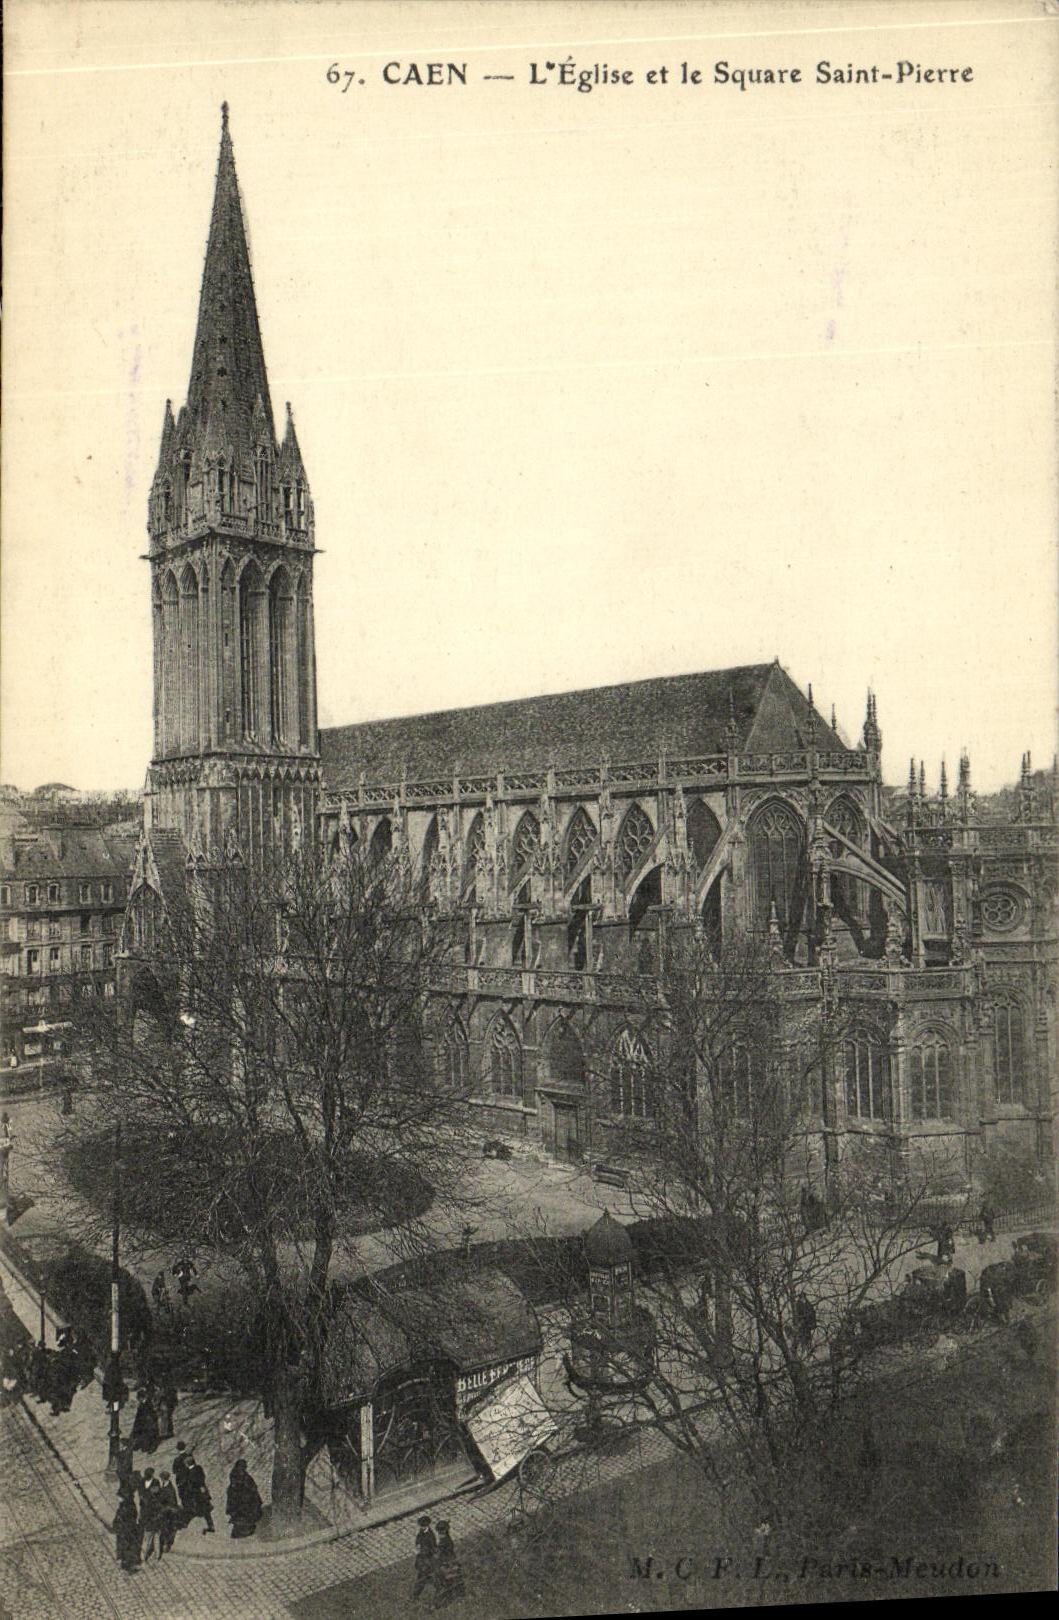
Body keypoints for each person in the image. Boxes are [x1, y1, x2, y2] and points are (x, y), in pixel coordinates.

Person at [226, 1459, 262, 1539]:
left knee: (246, 1518)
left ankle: (246, 1532)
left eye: (244, 1467)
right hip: (241, 1502)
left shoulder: (245, 1476)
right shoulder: (236, 1477)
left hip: (246, 1502)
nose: (243, 1468)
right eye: (242, 1466)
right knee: (242, 1518)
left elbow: (253, 1487)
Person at [432, 1520, 464, 1609]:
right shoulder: (445, 1539)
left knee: (450, 1582)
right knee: (453, 1581)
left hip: (448, 1563)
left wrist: (436, 1554)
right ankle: (457, 1597)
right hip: (450, 1562)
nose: (439, 1533)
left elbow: (439, 1554)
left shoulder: (444, 1541)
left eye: (440, 1531)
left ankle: (441, 1603)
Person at [183, 1449, 215, 1534]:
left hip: (196, 1494)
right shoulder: (198, 1468)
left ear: (187, 1464)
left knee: (193, 1509)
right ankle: (211, 1526)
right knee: (206, 1511)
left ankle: (185, 1523)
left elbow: (193, 1483)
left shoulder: (191, 1472)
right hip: (203, 1493)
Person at [113, 1485, 142, 1574]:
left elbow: (127, 1519)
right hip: (123, 1531)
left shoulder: (127, 1507)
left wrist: (118, 1525)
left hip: (126, 1532)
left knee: (127, 1549)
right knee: (124, 1548)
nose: (118, 1498)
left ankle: (128, 1567)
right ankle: (125, 1564)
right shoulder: (126, 1504)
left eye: (120, 1497)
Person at [412, 1515, 437, 1601]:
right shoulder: (421, 1532)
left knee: (421, 1578)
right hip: (422, 1559)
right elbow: (418, 1540)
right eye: (421, 1525)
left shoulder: (430, 1536)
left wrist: (425, 1552)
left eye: (423, 1525)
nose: (422, 1527)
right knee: (427, 1576)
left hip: (426, 1561)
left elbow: (433, 1548)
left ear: (427, 1525)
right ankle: (435, 1582)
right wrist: (418, 1546)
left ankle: (415, 1595)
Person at [140, 1471, 163, 1562]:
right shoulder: (159, 1500)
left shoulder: (147, 1502)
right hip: (158, 1523)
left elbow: (145, 1513)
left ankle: (143, 1556)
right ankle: (157, 1556)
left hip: (150, 1524)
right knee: (157, 1540)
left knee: (147, 1541)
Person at [156, 1471, 180, 1557]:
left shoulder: (170, 1489)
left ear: (163, 1478)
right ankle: (163, 1545)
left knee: (167, 1529)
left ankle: (167, 1545)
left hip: (168, 1513)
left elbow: (172, 1502)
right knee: (163, 1528)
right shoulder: (163, 1486)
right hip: (163, 1511)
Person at [130, 1386, 160, 1454]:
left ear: (142, 1397)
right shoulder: (142, 1404)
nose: (138, 1400)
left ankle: (151, 1447)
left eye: (139, 1398)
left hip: (149, 1423)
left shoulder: (148, 1403)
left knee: (149, 1435)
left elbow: (151, 1414)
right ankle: (141, 1445)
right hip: (144, 1423)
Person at [157, 1377, 178, 1441]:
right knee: (165, 1419)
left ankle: (167, 1433)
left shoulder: (169, 1390)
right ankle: (166, 1432)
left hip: (168, 1406)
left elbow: (173, 1398)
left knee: (166, 1419)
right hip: (165, 1405)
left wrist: (172, 1404)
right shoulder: (164, 1389)